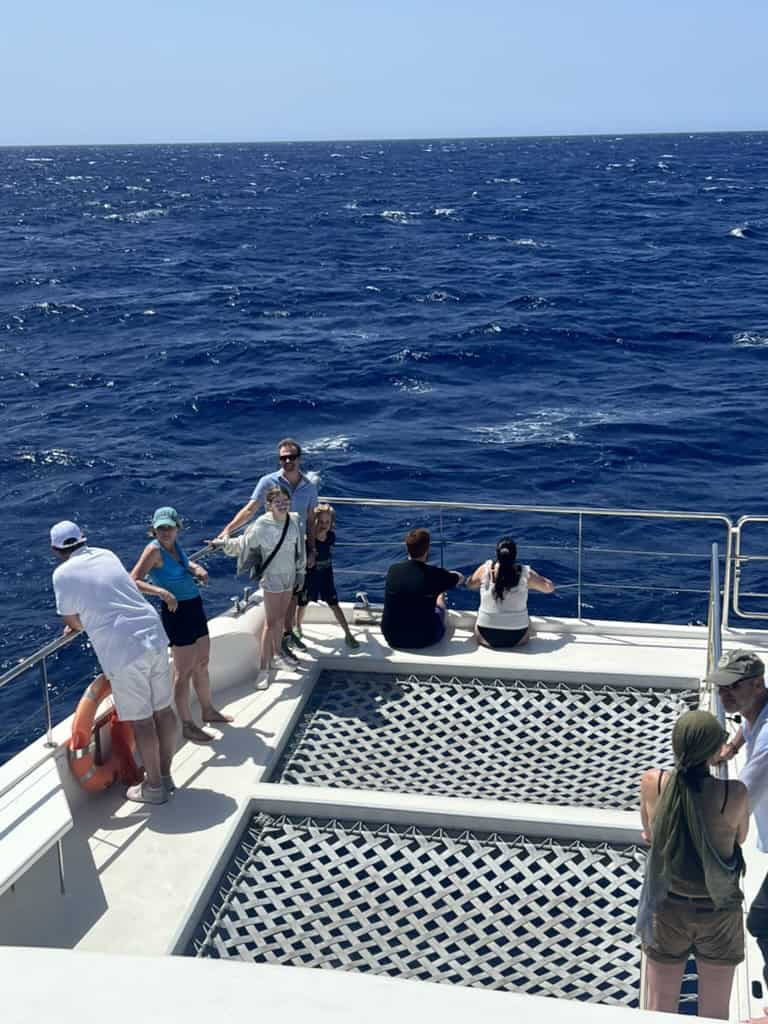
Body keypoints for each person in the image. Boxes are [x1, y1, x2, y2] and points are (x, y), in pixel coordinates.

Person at [49, 520, 177, 805]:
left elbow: (72, 621)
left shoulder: (61, 574)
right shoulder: (107, 554)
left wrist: (82, 624)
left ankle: (154, 788)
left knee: (143, 722)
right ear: (83, 539)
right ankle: (166, 776)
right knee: (164, 712)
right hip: (153, 635)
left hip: (123, 649)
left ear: (56, 550)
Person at [637, 709, 748, 1019]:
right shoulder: (734, 794)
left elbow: (649, 833)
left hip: (667, 909)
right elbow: (738, 840)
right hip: (718, 914)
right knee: (713, 1012)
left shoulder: (652, 782)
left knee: (659, 1009)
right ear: (714, 752)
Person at [130, 506, 232, 746]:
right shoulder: (154, 550)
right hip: (176, 613)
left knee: (203, 662)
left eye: (169, 527)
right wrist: (162, 592)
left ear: (178, 528)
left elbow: (183, 566)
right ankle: (187, 725)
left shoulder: (175, 546)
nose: (165, 532)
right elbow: (132, 580)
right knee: (183, 671)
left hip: (194, 606)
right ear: (154, 530)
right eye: (160, 528)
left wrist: (196, 568)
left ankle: (208, 710)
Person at [216, 438, 317, 660]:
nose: (287, 461)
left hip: (296, 549)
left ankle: (288, 635)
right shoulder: (267, 481)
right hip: (272, 550)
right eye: (283, 458)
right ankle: (274, 651)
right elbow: (250, 509)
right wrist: (228, 530)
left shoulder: (309, 487)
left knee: (292, 597)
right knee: (275, 605)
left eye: (291, 457)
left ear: (299, 459)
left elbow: (310, 520)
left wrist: (312, 550)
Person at [708, 650, 768, 988]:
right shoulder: (757, 704)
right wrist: (730, 748)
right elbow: (748, 723)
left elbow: (739, 800)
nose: (722, 695)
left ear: (757, 684)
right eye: (719, 688)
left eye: (731, 687)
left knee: (761, 922)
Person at [212, 486, 306, 689]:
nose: (282, 505)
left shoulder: (295, 520)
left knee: (281, 619)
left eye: (285, 501)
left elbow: (300, 549)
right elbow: (243, 544)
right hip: (272, 578)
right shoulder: (262, 524)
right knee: (271, 623)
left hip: (289, 577)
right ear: (269, 505)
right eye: (277, 502)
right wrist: (223, 544)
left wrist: (300, 573)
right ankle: (264, 669)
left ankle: (278, 656)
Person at [381, 528, 464, 650]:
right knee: (440, 601)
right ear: (427, 549)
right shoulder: (434, 574)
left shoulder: (393, 570)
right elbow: (460, 578)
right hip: (425, 638)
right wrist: (445, 577)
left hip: (391, 637)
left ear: (407, 548)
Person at [465, 536, 554, 648]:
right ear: (515, 555)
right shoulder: (525, 573)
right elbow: (549, 588)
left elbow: (469, 585)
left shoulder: (485, 569)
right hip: (517, 638)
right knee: (528, 621)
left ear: (497, 554)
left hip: (485, 637)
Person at [296, 503, 359, 649]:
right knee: (303, 603)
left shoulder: (331, 537)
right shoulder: (308, 541)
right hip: (310, 577)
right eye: (320, 521)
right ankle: (297, 626)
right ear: (314, 522)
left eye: (327, 522)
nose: (324, 525)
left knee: (334, 604)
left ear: (331, 523)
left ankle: (348, 633)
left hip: (326, 576)